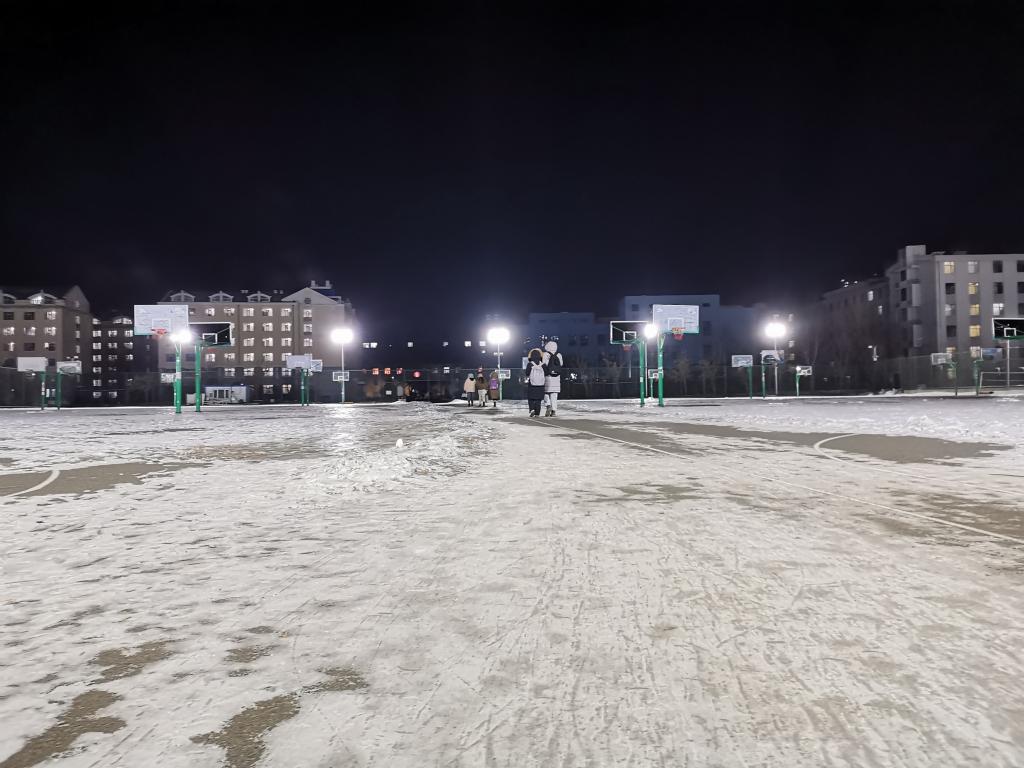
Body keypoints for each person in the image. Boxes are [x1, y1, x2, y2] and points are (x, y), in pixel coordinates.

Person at [541, 340, 563, 416]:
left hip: (548, 376)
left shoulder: (545, 354)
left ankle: (548, 405)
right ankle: (554, 411)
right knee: (554, 395)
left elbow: (544, 364)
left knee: (546, 393)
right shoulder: (559, 355)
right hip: (556, 378)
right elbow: (561, 364)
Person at [525, 348, 546, 417]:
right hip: (541, 385)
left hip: (532, 384)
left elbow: (527, 373)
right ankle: (537, 413)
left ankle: (532, 410)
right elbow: (547, 373)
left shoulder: (530, 364)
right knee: (538, 400)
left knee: (530, 398)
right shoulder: (543, 364)